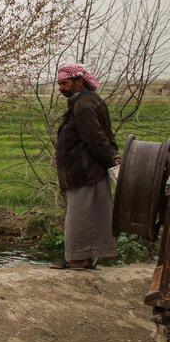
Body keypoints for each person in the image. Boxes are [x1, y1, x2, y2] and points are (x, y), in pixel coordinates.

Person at [51, 62, 119, 269]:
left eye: (64, 83)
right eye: (59, 84)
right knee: (92, 214)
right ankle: (86, 258)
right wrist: (112, 159)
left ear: (79, 81)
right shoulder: (89, 101)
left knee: (79, 216)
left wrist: (112, 162)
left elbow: (97, 139)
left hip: (84, 171)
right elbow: (106, 135)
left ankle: (77, 259)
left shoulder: (82, 106)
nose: (61, 88)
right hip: (88, 170)